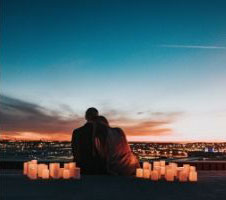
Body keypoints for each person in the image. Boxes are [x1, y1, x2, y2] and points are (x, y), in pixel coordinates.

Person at [71, 108, 108, 174]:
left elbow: (75, 151)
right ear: (97, 117)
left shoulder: (77, 132)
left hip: (81, 168)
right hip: (99, 169)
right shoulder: (104, 131)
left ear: (85, 117)